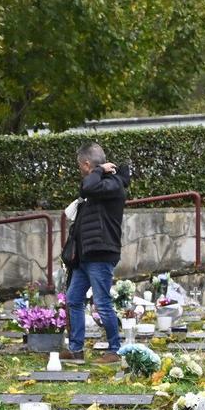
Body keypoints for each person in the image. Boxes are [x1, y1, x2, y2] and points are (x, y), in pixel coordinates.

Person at [64, 143, 129, 355]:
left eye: (80, 167)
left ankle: (115, 349)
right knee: (74, 299)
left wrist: (99, 170)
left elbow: (87, 187)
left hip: (101, 254)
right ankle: (76, 349)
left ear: (86, 164)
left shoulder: (113, 183)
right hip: (85, 255)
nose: (81, 171)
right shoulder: (101, 182)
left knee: (102, 303)